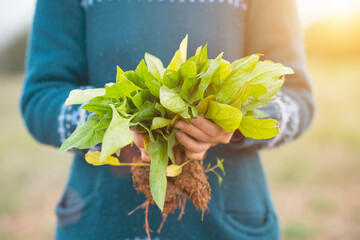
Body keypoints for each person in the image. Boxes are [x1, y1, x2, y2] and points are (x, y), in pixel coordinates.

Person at [20, 0, 314, 239]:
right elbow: (40, 98)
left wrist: (233, 123)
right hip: (103, 224)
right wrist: (123, 124)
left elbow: (296, 96)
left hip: (230, 224)